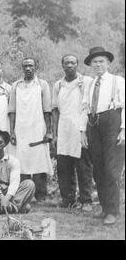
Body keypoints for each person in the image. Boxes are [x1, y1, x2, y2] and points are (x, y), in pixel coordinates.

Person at [81, 47, 125, 225]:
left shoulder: (118, 81)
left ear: (108, 63)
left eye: (101, 61)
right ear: (91, 65)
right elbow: (84, 108)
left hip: (112, 124)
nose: (98, 65)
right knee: (98, 169)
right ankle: (105, 208)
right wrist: (82, 131)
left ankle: (113, 211)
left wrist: (123, 129)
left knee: (111, 169)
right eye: (95, 62)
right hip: (93, 125)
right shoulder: (90, 83)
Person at [52, 54, 94, 211]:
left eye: (72, 63)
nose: (69, 65)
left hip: (81, 128)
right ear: (62, 65)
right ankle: (68, 199)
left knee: (83, 166)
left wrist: (86, 131)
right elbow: (55, 110)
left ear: (77, 65)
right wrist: (55, 134)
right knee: (64, 166)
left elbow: (89, 108)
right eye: (66, 63)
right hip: (64, 129)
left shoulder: (85, 82)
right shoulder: (58, 85)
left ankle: (86, 200)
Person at [8, 57, 53, 202]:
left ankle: (41, 195)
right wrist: (12, 131)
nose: (28, 68)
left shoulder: (43, 85)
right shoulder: (16, 85)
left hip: (38, 128)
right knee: (22, 161)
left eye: (31, 66)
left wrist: (49, 131)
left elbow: (47, 110)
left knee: (39, 160)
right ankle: (24, 195)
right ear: (22, 68)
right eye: (25, 66)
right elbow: (12, 111)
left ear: (35, 67)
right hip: (21, 128)